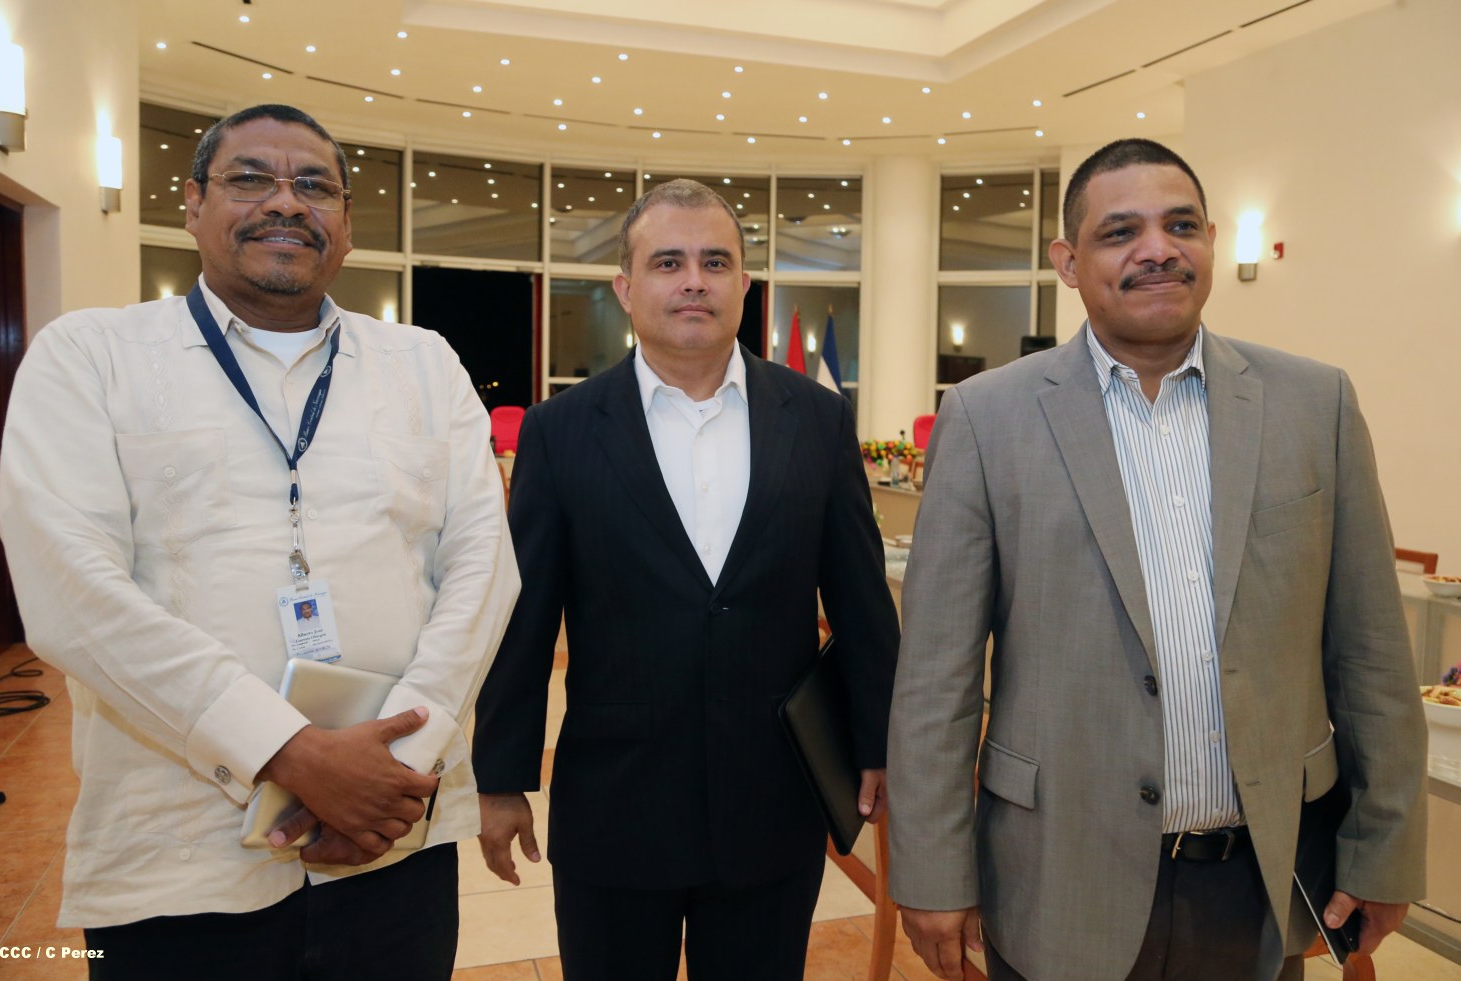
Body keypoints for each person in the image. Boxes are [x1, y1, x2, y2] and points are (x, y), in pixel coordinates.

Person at [0, 103, 520, 979]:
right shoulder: (93, 355)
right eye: (250, 179)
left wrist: (394, 761)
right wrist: (287, 750)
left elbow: (482, 568)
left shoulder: (423, 363)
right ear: (192, 203)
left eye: (314, 185)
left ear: (346, 221)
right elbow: (69, 591)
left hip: (393, 833)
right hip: (180, 854)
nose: (286, 202)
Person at [886, 139, 1427, 981]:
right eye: (1119, 232)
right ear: (1068, 262)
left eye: (1179, 225)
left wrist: (1385, 846)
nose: (1156, 249)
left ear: (1209, 239)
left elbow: (1372, 655)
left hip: (1258, 884)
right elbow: (935, 677)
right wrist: (929, 869)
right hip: (1056, 877)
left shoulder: (1313, 403)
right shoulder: (988, 418)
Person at [472, 179, 899, 981]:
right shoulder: (561, 430)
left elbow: (860, 601)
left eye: (714, 262)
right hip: (614, 804)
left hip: (772, 802)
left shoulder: (815, 419)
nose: (693, 280)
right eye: (668, 262)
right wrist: (501, 778)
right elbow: (521, 620)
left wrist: (876, 741)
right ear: (625, 288)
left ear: (744, 283)